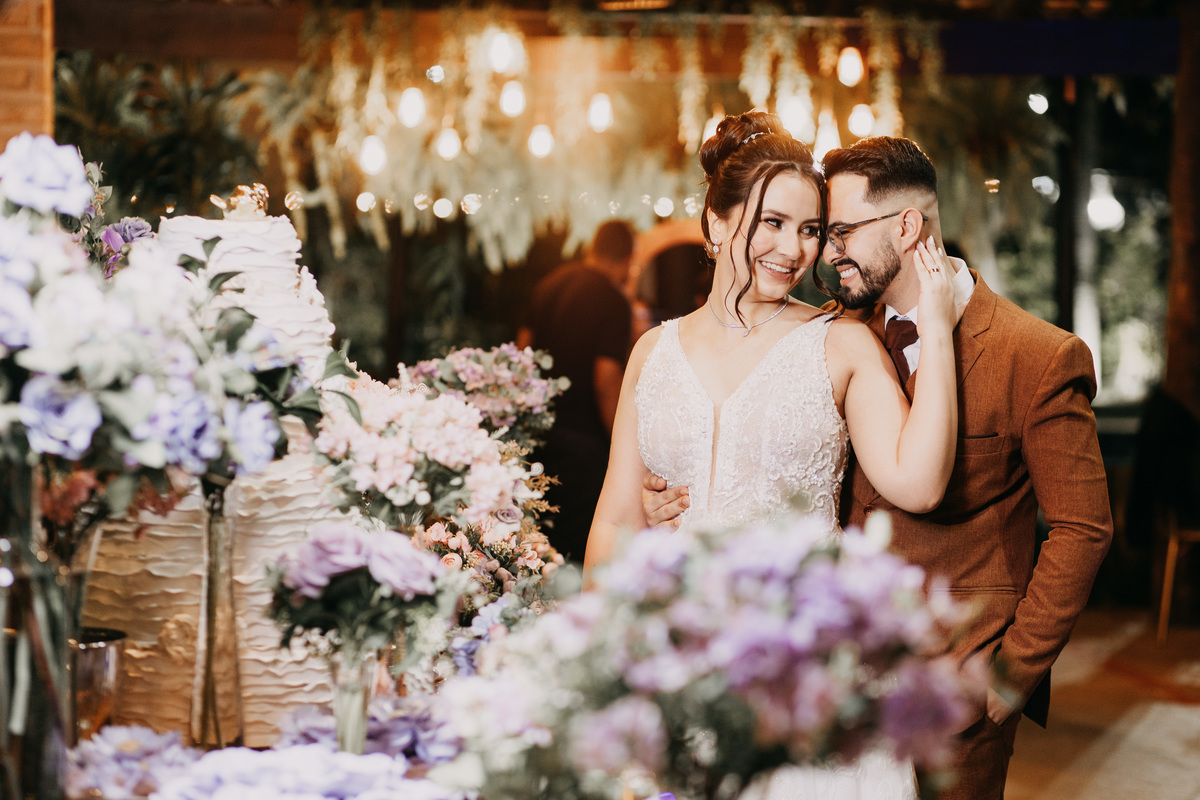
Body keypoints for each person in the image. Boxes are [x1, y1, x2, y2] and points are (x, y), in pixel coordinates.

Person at [643, 135, 1114, 800]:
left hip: (955, 684)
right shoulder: (831, 335)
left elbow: (1082, 528)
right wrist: (673, 496)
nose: (823, 253)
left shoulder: (1037, 355)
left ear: (907, 226)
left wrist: (1010, 676)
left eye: (838, 232)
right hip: (830, 680)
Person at [584, 111, 959, 799]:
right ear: (717, 222)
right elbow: (613, 521)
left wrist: (936, 326)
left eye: (810, 229)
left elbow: (920, 482)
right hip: (677, 664)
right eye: (772, 223)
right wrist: (601, 654)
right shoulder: (652, 354)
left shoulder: (841, 344)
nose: (793, 249)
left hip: (800, 670)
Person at [516, 220, 636, 562]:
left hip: (539, 437)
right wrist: (620, 443)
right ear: (627, 260)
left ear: (593, 248)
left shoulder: (549, 284)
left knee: (537, 541)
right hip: (585, 445)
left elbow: (522, 352)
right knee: (576, 550)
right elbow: (605, 380)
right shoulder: (614, 301)